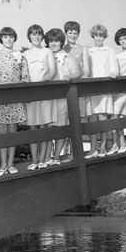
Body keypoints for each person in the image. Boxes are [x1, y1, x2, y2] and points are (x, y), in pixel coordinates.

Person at [0, 27, 29, 177]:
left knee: (12, 131)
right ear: (1, 39)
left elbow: (26, 77)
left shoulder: (20, 56)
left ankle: (11, 163)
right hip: (0, 99)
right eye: (5, 37)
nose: (8, 40)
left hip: (14, 99)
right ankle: (3, 164)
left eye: (11, 37)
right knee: (2, 132)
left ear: (14, 39)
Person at [45, 28, 81, 164]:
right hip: (47, 96)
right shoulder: (45, 54)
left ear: (61, 42)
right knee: (47, 126)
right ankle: (46, 157)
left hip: (62, 96)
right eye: (51, 41)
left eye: (57, 41)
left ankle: (56, 156)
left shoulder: (67, 56)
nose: (54, 44)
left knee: (61, 126)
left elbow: (78, 73)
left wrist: (69, 76)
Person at [23, 24, 56, 170]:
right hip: (30, 94)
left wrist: (44, 82)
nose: (36, 37)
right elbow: (23, 75)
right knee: (32, 127)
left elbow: (52, 71)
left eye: (38, 34)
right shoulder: (25, 54)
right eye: (33, 34)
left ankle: (42, 159)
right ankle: (34, 160)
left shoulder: (47, 51)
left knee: (44, 126)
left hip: (44, 92)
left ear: (42, 36)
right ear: (29, 36)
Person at [85, 23, 118, 159]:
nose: (98, 38)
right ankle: (93, 148)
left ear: (104, 37)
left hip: (103, 88)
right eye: (96, 35)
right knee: (92, 119)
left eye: (101, 36)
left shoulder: (109, 50)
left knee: (103, 118)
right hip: (91, 88)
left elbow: (114, 69)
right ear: (93, 36)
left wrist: (112, 74)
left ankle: (103, 146)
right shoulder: (88, 51)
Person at [63, 21, 91, 163]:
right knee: (67, 121)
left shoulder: (83, 48)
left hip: (77, 88)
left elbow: (86, 70)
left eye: (75, 32)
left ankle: (77, 153)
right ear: (66, 33)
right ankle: (69, 153)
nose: (73, 35)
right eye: (70, 32)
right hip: (64, 89)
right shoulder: (62, 48)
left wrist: (77, 75)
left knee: (78, 120)